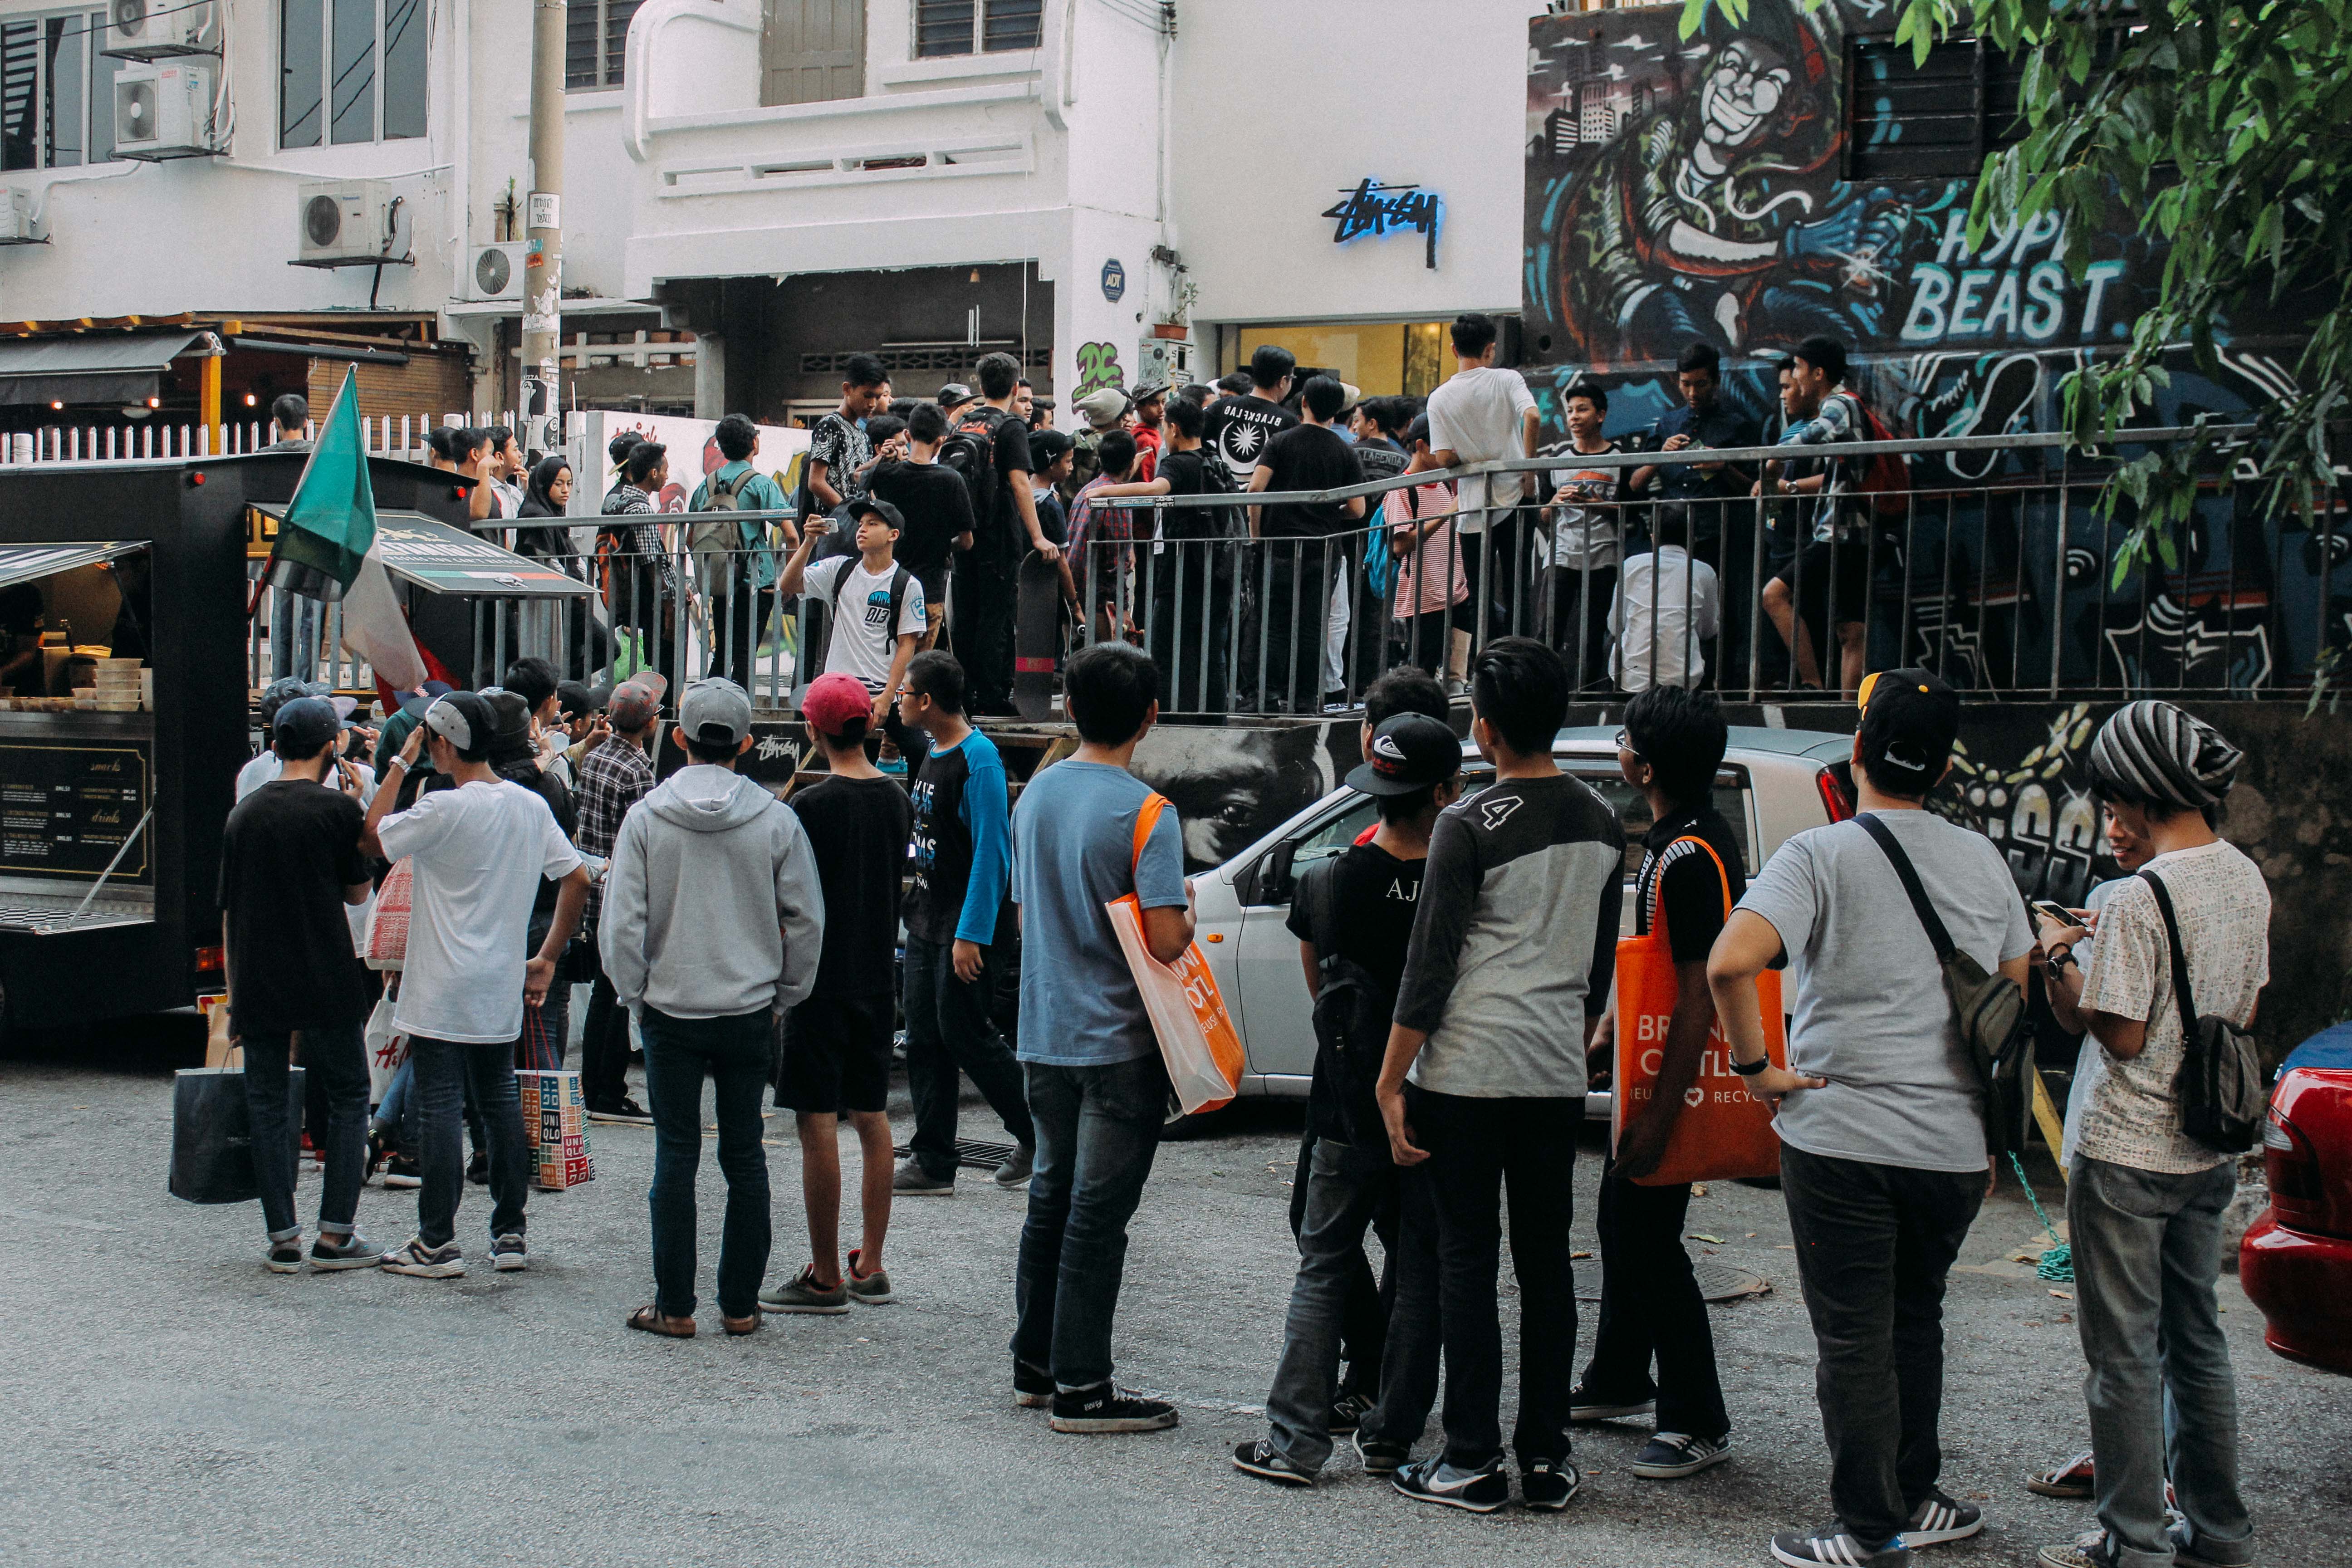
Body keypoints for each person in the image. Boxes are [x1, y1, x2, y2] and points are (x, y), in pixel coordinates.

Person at [1707, 667, 2029, 1567]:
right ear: (1945, 769)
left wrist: (1758, 1070)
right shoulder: (1985, 862)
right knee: (1914, 1318)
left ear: (1856, 751)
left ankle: (1866, 1530)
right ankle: (1915, 1496)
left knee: (1852, 1335)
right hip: (1951, 1144)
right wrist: (1987, 1133)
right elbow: (2011, 995)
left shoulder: (1818, 855)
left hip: (1839, 1136)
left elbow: (1730, 964)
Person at [1364, 637, 1622, 1514]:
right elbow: (1594, 960)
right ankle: (1545, 1457)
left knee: (1466, 1263)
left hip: (1466, 1073)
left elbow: (1429, 967)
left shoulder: (1465, 823)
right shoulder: (1601, 819)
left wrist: (1389, 1079)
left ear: (1482, 728)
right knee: (1546, 1265)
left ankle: (1470, 1458)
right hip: (1551, 1075)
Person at [2033, 702, 2264, 1568]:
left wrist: (2060, 954)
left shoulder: (2136, 896)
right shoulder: (2245, 878)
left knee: (2122, 1356)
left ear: (2138, 791)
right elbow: (2241, 1008)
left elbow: (2119, 1035)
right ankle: (2218, 1533)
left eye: (2108, 799)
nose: (2107, 816)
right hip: (2205, 1150)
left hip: (2124, 1154)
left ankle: (2131, 1540)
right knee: (2195, 1342)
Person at [1233, 712, 1463, 1489]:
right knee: (1420, 1264)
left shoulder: (1325, 882)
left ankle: (1295, 1442)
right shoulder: (1461, 886)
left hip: (1343, 1106)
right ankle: (1393, 1433)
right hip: (1435, 1100)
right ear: (1444, 792)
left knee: (1324, 1263)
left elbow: (1320, 990)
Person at [600, 679, 823, 1337]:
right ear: (747, 744)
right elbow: (806, 921)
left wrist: (635, 994)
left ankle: (675, 1306)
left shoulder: (648, 817)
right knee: (745, 1154)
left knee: (676, 1153)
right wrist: (785, 994)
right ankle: (741, 1305)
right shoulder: (775, 819)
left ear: (679, 738)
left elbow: (621, 926)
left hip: (670, 1007)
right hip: (749, 1008)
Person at [1008, 641, 1191, 1433]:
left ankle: (1036, 1364)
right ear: (1150, 717)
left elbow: (1025, 914)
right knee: (1095, 1214)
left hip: (1043, 1030)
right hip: (1118, 1041)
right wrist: (1185, 911)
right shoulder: (1149, 813)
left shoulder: (1035, 796)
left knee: (1050, 1195)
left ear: (1071, 709)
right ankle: (1083, 1388)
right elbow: (1165, 939)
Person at [361, 691, 591, 1279]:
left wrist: (398, 762)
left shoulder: (442, 808)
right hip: (500, 980)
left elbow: (371, 837)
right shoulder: (528, 806)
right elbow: (577, 878)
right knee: (499, 1100)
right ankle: (510, 1233)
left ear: (442, 743)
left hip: (440, 985)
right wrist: (547, 956)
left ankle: (436, 1242)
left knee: (440, 1105)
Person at [1573, 686, 1739, 1480]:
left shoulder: (1687, 855)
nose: (1618, 748)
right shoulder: (1684, 835)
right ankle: (1617, 1375)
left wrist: (1660, 1115)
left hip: (1672, 1077)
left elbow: (1700, 990)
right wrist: (1611, 1031)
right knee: (1622, 1222)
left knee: (1646, 1238)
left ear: (1642, 767)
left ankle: (1696, 1419)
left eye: (1624, 739)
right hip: (1648, 1061)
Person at [218, 696, 380, 1272]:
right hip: (325, 970)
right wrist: (356, 812)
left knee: (267, 1101)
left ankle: (282, 1236)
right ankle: (336, 1234)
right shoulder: (336, 810)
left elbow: (230, 912)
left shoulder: (244, 813)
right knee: (349, 1095)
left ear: (276, 746)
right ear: (332, 747)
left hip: (259, 975)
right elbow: (357, 894)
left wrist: (234, 996)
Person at [768, 673, 906, 1313]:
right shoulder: (896, 798)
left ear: (812, 730)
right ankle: (871, 1263)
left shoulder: (811, 806)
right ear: (868, 726)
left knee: (817, 1119)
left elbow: (791, 898)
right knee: (872, 1115)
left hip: (820, 979)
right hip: (878, 975)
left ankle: (825, 1274)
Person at [893, 651, 1034, 1196]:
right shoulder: (933, 749)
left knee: (967, 1035)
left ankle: (1039, 1133)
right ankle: (933, 1161)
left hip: (966, 929)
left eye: (905, 693)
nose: (899, 701)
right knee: (924, 1039)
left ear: (928, 701)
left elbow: (993, 856)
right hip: (927, 920)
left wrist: (971, 934)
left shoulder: (981, 761)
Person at [1086, 396, 1236, 711]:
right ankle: (1214, 718)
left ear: (1174, 428)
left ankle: (1163, 714)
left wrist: (1103, 490)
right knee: (1212, 654)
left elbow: (1156, 489)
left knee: (1164, 650)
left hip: (1181, 576)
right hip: (1217, 572)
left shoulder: (1177, 462)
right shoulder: (1214, 460)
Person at [1759, 335, 1873, 696]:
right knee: (1851, 631)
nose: (1792, 380)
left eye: (1798, 369)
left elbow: (1813, 437)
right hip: (1842, 531)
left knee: (1774, 595)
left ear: (1818, 373)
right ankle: (1848, 712)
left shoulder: (1839, 404)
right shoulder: (1843, 406)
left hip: (1838, 531)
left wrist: (1775, 462)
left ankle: (1813, 684)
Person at [951, 350, 1062, 715]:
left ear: (981, 385)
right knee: (995, 617)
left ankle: (964, 694)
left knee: (966, 615)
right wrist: (1038, 537)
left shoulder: (964, 422)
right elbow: (1019, 482)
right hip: (998, 536)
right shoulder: (1011, 426)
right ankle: (992, 695)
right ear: (1015, 388)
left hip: (965, 535)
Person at [1415, 314, 1540, 640]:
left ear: (1454, 349)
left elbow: (1444, 457)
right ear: (1490, 349)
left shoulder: (1439, 397)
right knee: (1518, 590)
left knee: (1479, 596)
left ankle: (1484, 661)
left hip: (1472, 505)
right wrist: (1528, 474)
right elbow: (1533, 417)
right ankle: (1522, 658)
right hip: (1517, 495)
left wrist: (1472, 457)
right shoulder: (1507, 379)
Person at [1248, 375, 1366, 713]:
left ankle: (1268, 695)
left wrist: (1257, 535)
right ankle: (1305, 698)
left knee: (1274, 622)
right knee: (1313, 624)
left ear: (1304, 402)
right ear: (1338, 411)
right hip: (1323, 549)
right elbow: (1357, 509)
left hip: (1280, 545)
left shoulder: (1280, 442)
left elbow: (1256, 489)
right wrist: (1328, 513)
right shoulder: (1344, 451)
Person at [575, 680, 662, 1125]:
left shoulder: (596, 756)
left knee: (603, 993)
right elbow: (646, 839)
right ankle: (607, 1091)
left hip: (593, 886)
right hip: (621, 890)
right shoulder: (637, 772)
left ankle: (594, 1087)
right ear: (649, 724)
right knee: (615, 997)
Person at [778, 497, 927, 739]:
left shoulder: (908, 584)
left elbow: (907, 646)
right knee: (840, 752)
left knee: (919, 749)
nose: (862, 529)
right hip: (840, 690)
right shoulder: (839, 569)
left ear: (893, 535)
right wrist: (809, 543)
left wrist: (888, 696)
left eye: (873, 524)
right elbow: (788, 585)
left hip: (882, 692)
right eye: (861, 524)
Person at [1627, 341, 1760, 568]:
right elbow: (1635, 484)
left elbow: (1753, 488)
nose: (1692, 393)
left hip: (1717, 538)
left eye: (1701, 385)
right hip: (1670, 539)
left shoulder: (1737, 425)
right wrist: (1661, 457)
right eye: (1686, 384)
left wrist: (1724, 467)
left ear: (1716, 382)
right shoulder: (1668, 424)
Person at [691, 413, 795, 691]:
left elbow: (691, 537)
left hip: (720, 581)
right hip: (756, 582)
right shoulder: (761, 484)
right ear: (754, 443)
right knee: (746, 655)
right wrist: (790, 580)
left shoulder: (706, 486)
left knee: (723, 653)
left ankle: (708, 702)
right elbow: (791, 534)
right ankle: (741, 707)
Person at [1537, 381, 1626, 689]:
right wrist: (1555, 502)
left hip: (1604, 557)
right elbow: (1543, 515)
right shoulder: (1559, 458)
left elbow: (1630, 510)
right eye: (1570, 411)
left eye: (1582, 410)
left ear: (1600, 415)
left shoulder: (1619, 457)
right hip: (1562, 554)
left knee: (1594, 633)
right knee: (1549, 630)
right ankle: (1543, 689)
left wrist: (1596, 504)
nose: (1574, 417)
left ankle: (1586, 694)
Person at [867, 402, 976, 651]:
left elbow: (858, 477)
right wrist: (943, 546)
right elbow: (967, 541)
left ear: (908, 435)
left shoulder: (886, 475)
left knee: (883, 661)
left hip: (887, 588)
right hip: (929, 590)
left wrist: (881, 459)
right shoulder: (951, 480)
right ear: (941, 441)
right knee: (918, 666)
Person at [1388, 413, 1470, 685]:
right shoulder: (1401, 489)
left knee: (1457, 672)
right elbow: (1401, 545)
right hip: (1423, 596)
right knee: (1423, 668)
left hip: (1456, 590)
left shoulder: (1444, 484)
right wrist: (1447, 514)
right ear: (1422, 445)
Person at [600, 441, 685, 692]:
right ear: (653, 473)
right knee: (664, 665)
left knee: (657, 661)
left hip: (640, 597)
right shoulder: (640, 507)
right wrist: (669, 602)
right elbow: (652, 562)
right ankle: (665, 709)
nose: (667, 476)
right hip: (653, 601)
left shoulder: (620, 500)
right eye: (665, 471)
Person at [1612, 501, 1720, 693]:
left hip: (1632, 679)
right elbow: (1709, 629)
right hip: (1685, 679)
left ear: (1653, 536)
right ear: (1693, 537)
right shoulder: (1704, 572)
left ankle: (1609, 694)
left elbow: (1615, 624)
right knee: (1710, 638)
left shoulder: (1630, 566)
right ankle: (1709, 694)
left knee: (1614, 636)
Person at [1066, 429, 1144, 641]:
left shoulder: (1087, 491)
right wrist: (1123, 609)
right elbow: (1116, 565)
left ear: (1101, 460)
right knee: (1104, 659)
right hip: (1098, 601)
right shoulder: (1116, 502)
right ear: (1131, 464)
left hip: (1075, 594)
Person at [265, 393, 319, 682]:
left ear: (277, 423)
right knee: (312, 616)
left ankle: (280, 682)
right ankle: (307, 682)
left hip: (280, 542)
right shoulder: (321, 456)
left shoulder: (264, 457)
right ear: (307, 422)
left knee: (282, 616)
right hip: (314, 543)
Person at [801, 354, 892, 522]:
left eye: (878, 397)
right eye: (868, 395)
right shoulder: (830, 425)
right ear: (847, 389)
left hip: (858, 527)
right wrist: (850, 514)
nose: (873, 404)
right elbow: (816, 482)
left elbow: (864, 484)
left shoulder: (864, 437)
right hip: (834, 527)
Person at [1203, 345, 1299, 486]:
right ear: (1283, 381)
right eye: (1291, 379)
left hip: (1221, 495)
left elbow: (1190, 436)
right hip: (1262, 498)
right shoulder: (1288, 422)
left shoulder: (1222, 407)